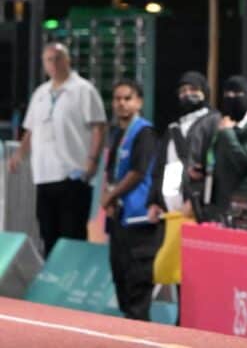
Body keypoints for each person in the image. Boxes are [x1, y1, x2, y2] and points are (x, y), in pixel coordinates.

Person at [7, 43, 106, 257]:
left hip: (73, 174)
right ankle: (51, 275)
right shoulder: (40, 93)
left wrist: (92, 160)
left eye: (57, 58)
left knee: (72, 236)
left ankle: (73, 276)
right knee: (48, 234)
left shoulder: (83, 89)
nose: (53, 63)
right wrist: (19, 155)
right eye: (48, 59)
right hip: (44, 175)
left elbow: (99, 126)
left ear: (67, 60)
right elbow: (31, 129)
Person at [102, 79, 160, 320]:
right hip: (120, 217)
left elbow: (138, 172)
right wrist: (110, 198)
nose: (121, 104)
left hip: (139, 218)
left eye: (127, 98)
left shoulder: (145, 133)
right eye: (117, 99)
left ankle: (139, 334)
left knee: (137, 287)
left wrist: (111, 195)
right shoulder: (117, 133)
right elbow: (111, 170)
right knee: (121, 280)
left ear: (139, 102)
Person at [147, 71, 221, 222]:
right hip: (169, 211)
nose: (187, 94)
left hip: (197, 210)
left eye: (193, 89)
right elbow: (160, 167)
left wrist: (196, 200)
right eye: (183, 90)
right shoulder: (173, 127)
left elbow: (216, 168)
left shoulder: (214, 122)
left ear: (204, 91)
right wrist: (154, 201)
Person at [208, 76, 247, 215]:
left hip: (244, 200)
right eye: (227, 94)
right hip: (223, 199)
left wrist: (227, 133)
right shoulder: (227, 122)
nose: (231, 97)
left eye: (237, 93)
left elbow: (244, 159)